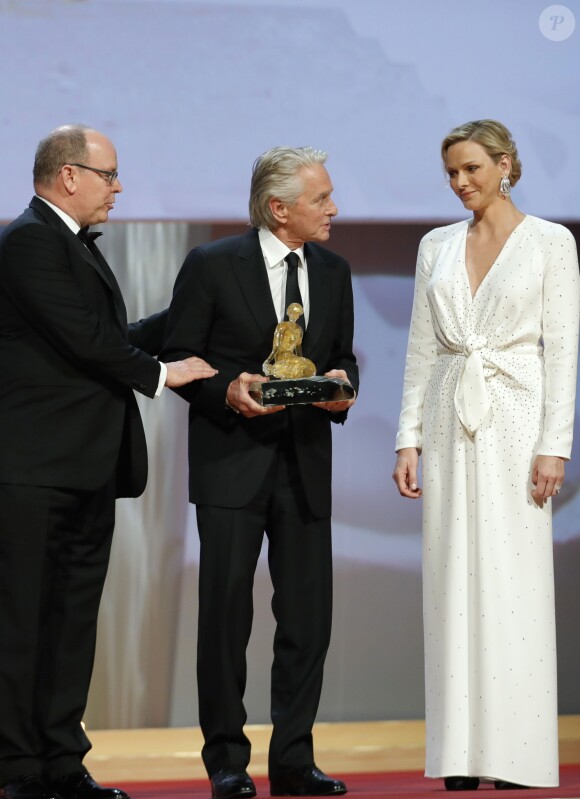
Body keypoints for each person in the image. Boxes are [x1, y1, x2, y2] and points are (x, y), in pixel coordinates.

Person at [0, 124, 217, 799]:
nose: (118, 188)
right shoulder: (30, 241)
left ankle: (62, 762)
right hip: (34, 472)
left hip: (83, 470)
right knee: (23, 624)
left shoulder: (68, 245)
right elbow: (89, 343)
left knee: (70, 625)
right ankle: (17, 768)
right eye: (109, 174)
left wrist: (185, 314)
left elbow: (104, 338)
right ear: (68, 175)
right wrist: (164, 372)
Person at [161, 146, 358, 799]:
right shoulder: (213, 265)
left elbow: (342, 357)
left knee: (307, 619)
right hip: (231, 463)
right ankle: (226, 761)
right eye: (321, 198)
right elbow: (180, 355)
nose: (334, 209)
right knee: (225, 618)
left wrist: (342, 386)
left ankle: (294, 760)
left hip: (304, 465)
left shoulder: (333, 270)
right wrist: (227, 390)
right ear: (280, 208)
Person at [392, 119, 579, 790]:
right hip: (446, 422)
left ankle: (517, 755)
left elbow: (562, 350)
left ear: (505, 165)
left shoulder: (550, 243)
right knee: (451, 581)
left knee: (514, 581)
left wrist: (554, 444)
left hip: (517, 423)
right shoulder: (436, 244)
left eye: (471, 168)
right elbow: (420, 348)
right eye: (450, 172)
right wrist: (406, 436)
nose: (459, 182)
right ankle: (461, 754)